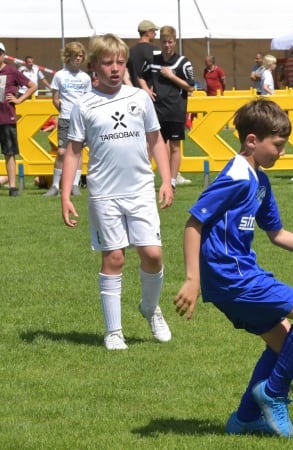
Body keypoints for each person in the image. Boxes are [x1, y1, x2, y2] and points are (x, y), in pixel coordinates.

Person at [174, 99, 293, 437]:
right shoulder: (236, 177)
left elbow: (278, 234)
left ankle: (243, 418)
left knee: (282, 342)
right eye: (277, 145)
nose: (282, 153)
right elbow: (192, 223)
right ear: (252, 141)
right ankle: (274, 394)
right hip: (231, 275)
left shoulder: (259, 181)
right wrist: (192, 279)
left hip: (242, 273)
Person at [61, 33, 174, 350]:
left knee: (152, 254)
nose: (114, 68)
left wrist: (166, 180)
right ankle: (114, 331)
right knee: (114, 258)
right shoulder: (83, 106)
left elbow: (156, 140)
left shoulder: (139, 98)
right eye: (107, 62)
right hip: (104, 193)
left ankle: (150, 310)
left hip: (140, 190)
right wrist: (67, 194)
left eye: (120, 62)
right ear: (93, 65)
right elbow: (73, 151)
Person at [43, 41, 92, 197]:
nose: (78, 59)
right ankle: (56, 186)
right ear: (68, 57)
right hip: (65, 118)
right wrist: (63, 109)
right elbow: (55, 98)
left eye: (80, 56)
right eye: (75, 56)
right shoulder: (59, 75)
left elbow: (88, 99)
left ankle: (75, 186)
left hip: (81, 120)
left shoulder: (85, 78)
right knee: (62, 152)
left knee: (77, 152)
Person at [148, 25, 195, 189]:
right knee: (150, 145)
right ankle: (147, 178)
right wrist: (147, 89)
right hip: (156, 110)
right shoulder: (153, 60)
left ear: (174, 42)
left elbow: (190, 87)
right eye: (164, 42)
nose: (167, 45)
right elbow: (143, 77)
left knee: (175, 147)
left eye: (169, 42)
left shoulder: (183, 62)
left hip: (175, 110)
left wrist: (171, 76)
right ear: (160, 42)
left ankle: (172, 181)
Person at [0, 42, 37, 197]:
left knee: (9, 153)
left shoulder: (11, 71)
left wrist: (19, 100)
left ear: (3, 55)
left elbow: (33, 86)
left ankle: (13, 188)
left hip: (6, 118)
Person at [127, 20, 159, 100]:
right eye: (154, 31)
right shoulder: (155, 50)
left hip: (134, 94)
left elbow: (126, 73)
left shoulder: (130, 51)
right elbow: (158, 74)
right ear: (147, 32)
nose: (155, 34)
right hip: (151, 95)